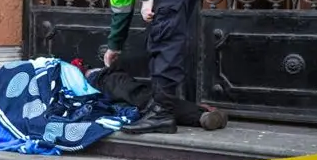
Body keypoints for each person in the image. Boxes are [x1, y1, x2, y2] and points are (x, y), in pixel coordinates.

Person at [53, 0, 204, 134]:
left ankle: (162, 114)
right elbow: (121, 7)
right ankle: (164, 110)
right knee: (159, 36)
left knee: (164, 37)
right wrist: (114, 46)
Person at [73, 60, 228, 131]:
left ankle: (202, 114)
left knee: (145, 101)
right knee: (145, 109)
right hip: (100, 92)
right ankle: (201, 115)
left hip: (102, 80)